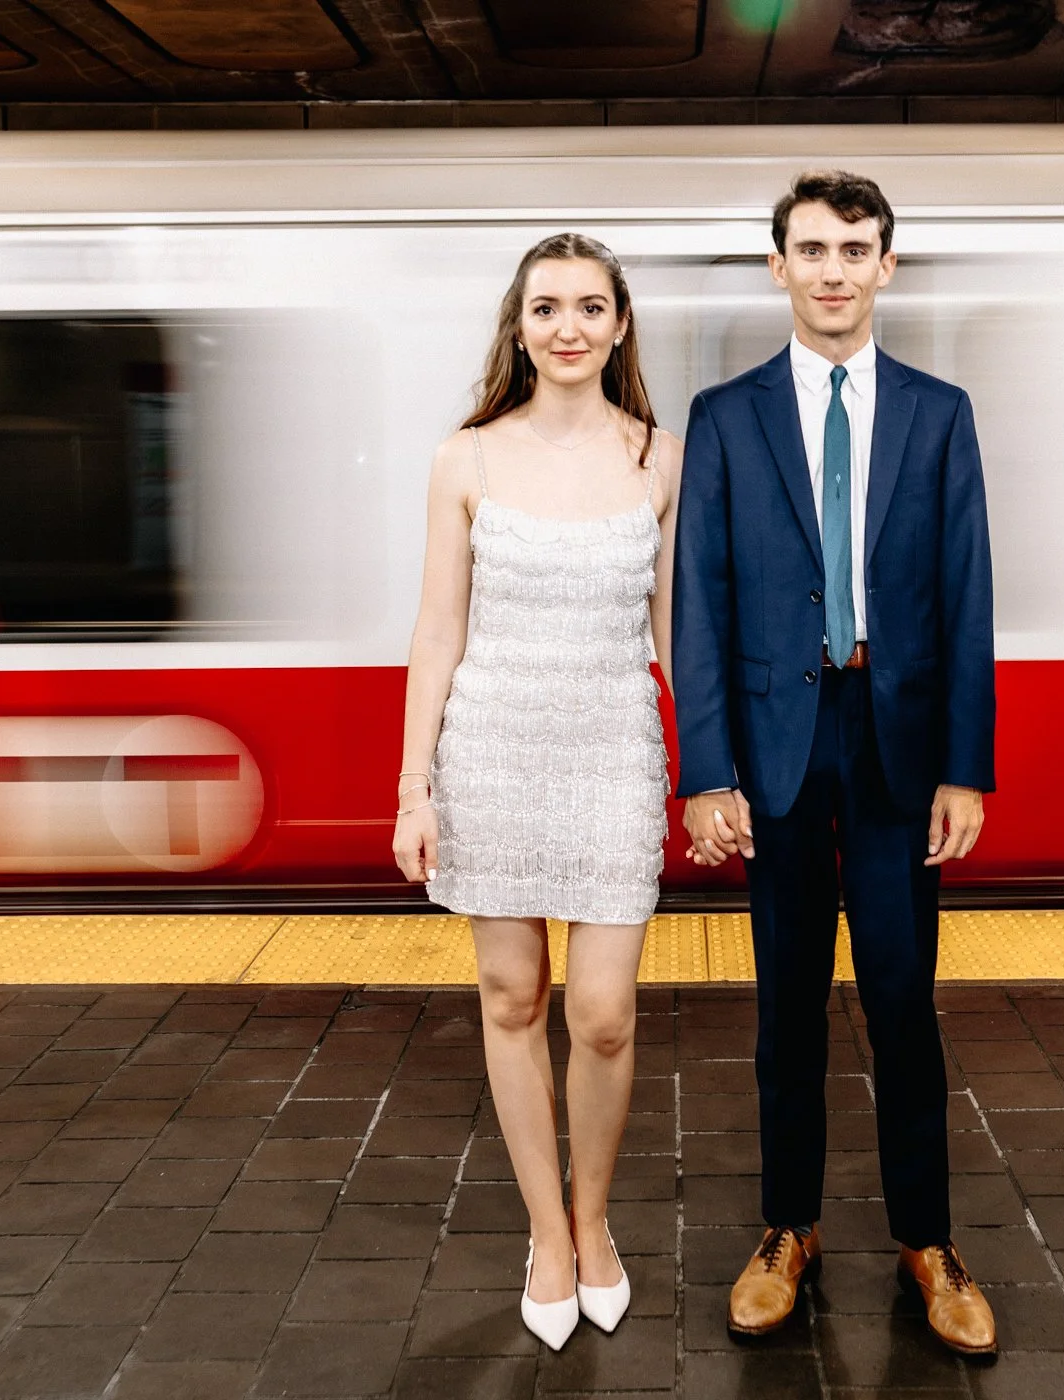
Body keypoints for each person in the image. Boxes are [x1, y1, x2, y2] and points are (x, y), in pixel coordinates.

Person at [672, 171, 998, 1355]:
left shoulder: (939, 410)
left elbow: (968, 595)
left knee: (906, 1001)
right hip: (775, 750)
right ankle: (788, 1230)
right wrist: (705, 772)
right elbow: (698, 605)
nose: (832, 269)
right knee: (786, 1006)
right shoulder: (725, 414)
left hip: (898, 743)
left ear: (887, 266)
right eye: (810, 248)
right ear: (777, 266)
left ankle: (928, 1238)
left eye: (854, 249)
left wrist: (967, 765)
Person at [392, 233, 683, 1351]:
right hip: (494, 748)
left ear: (619, 327)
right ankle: (550, 1235)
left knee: (602, 1011)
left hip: (613, 746)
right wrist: (415, 787)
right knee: (512, 996)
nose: (569, 326)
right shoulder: (464, 457)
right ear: (521, 327)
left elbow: (672, 629)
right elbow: (436, 630)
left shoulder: (659, 456)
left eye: (591, 307)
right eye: (548, 306)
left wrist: (707, 764)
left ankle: (597, 1214)